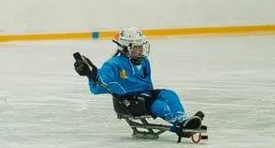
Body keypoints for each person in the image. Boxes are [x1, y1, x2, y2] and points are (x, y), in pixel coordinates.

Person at [74, 27, 204, 130]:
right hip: (127, 102)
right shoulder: (113, 64)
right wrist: (90, 74)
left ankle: (183, 120)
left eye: (141, 46)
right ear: (126, 47)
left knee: (169, 95)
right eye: (137, 47)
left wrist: (153, 95)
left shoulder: (144, 62)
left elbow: (149, 86)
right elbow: (98, 86)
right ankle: (180, 124)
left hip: (144, 96)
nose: (141, 50)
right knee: (159, 105)